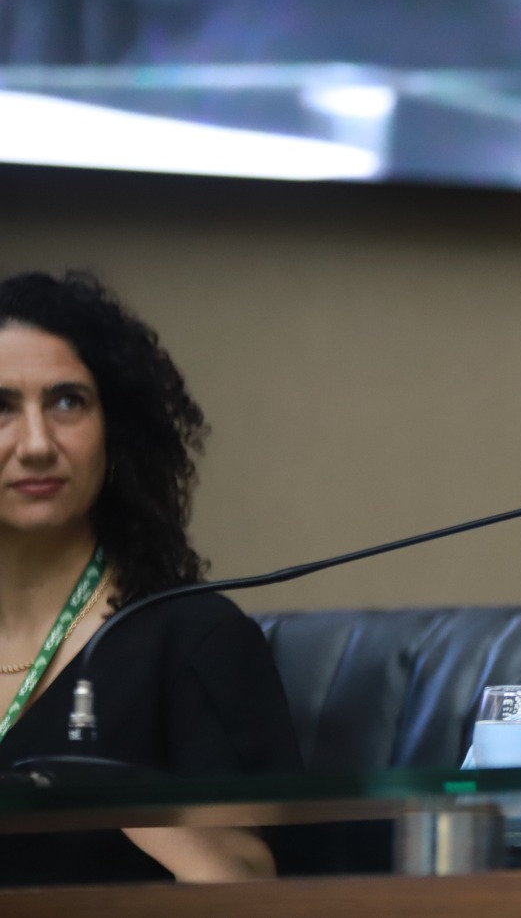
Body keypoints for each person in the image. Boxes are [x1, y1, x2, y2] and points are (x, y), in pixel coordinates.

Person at [0, 272, 304, 885]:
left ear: (117, 430)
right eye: (0, 408)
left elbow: (256, 885)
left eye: (67, 402)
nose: (36, 444)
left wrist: (111, 795)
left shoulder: (196, 640)